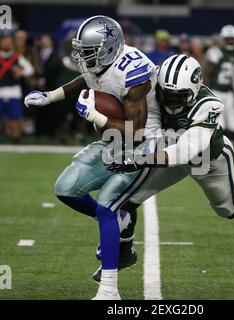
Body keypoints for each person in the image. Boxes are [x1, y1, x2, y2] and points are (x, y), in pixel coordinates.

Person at [93, 54, 234, 281]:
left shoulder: (208, 105)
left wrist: (137, 160)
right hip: (168, 152)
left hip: (206, 159)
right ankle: (124, 253)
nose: (170, 101)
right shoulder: (154, 83)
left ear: (193, 90)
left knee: (231, 209)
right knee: (127, 199)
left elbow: (186, 151)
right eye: (166, 95)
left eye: (177, 96)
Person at [24, 15, 161, 300]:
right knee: (65, 188)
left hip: (145, 144)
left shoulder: (132, 72)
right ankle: (123, 219)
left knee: (106, 205)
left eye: (88, 51)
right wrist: (50, 97)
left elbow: (136, 131)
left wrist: (95, 116)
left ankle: (109, 290)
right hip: (114, 139)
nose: (83, 57)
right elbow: (84, 79)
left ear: (109, 48)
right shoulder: (100, 63)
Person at [204, 25, 234, 143]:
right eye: (228, 38)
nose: (230, 41)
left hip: (230, 92)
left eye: (233, 38)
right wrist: (207, 91)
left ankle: (230, 148)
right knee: (219, 122)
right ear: (223, 39)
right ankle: (218, 148)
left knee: (232, 123)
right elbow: (207, 73)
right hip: (216, 90)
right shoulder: (216, 52)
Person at [0, 32, 34, 143]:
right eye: (5, 41)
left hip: (14, 92)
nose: (7, 43)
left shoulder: (17, 57)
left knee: (15, 118)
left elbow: (30, 70)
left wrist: (21, 72)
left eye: (9, 41)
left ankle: (17, 138)